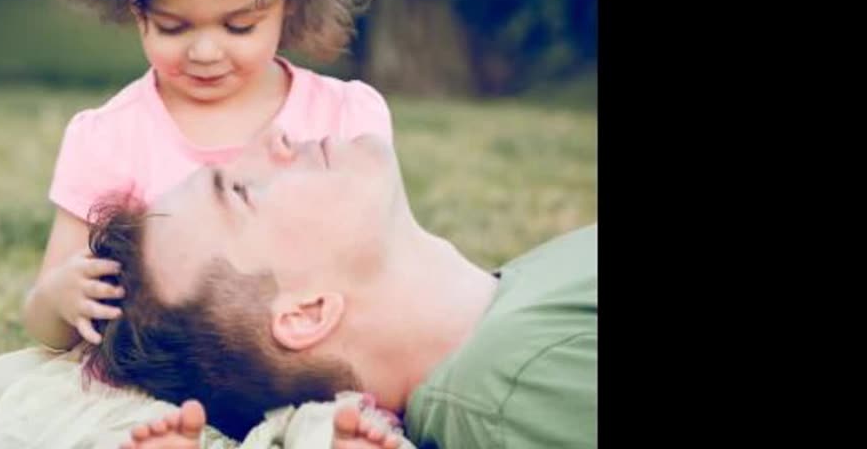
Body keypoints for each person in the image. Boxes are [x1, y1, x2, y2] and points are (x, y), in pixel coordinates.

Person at [22, 0, 393, 352]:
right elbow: (46, 325)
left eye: (239, 25)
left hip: (316, 369)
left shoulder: (346, 118)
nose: (204, 51)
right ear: (133, 1)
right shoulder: (109, 138)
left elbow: (385, 273)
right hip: (159, 388)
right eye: (173, 26)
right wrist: (59, 298)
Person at [83, 126, 597, 448]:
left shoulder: (526, 314)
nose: (274, 138)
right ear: (306, 314)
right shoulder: (513, 390)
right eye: (241, 190)